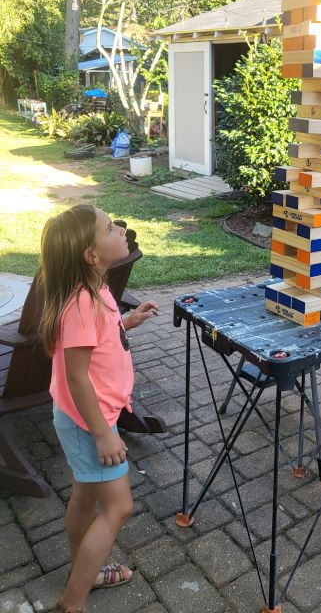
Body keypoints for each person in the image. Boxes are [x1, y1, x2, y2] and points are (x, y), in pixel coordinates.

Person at [38, 204, 159, 613]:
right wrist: (105, 433)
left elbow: (99, 337)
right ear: (92, 254)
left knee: (84, 498)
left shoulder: (97, 289)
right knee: (118, 507)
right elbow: (77, 377)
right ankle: (72, 603)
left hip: (84, 420)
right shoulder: (83, 303)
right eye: (110, 227)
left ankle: (83, 570)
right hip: (89, 422)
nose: (121, 228)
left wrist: (127, 323)